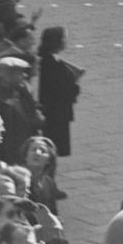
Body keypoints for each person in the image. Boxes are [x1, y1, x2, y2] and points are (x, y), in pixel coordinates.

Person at [35, 25, 83, 158]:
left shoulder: (50, 59)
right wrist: (75, 84)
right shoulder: (53, 63)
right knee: (53, 148)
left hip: (54, 110)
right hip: (56, 112)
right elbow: (63, 89)